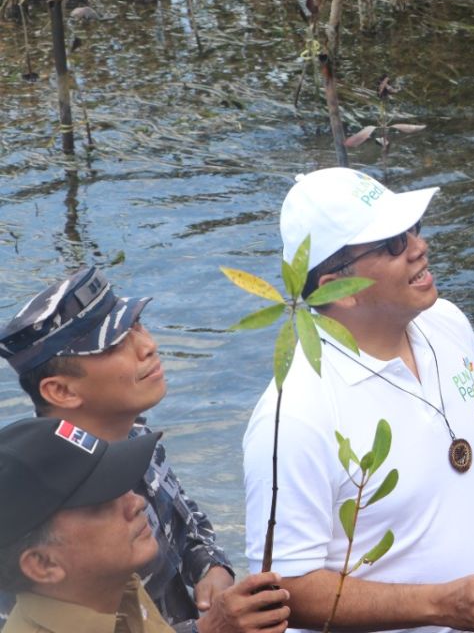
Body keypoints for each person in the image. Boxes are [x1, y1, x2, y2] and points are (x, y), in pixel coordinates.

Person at [242, 167, 474, 633]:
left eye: (413, 230)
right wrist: (441, 605)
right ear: (337, 287)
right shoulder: (295, 415)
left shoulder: (448, 323)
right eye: (393, 243)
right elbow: (285, 590)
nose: (419, 246)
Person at [0, 267, 284, 633]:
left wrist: (211, 567)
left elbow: (189, 522)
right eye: (116, 344)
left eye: (138, 325)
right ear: (62, 391)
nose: (148, 345)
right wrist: (211, 628)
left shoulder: (137, 442)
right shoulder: (30, 506)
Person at [0, 416, 288, 633]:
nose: (137, 502)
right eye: (101, 504)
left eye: (122, 487)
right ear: (42, 564)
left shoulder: (118, 588)